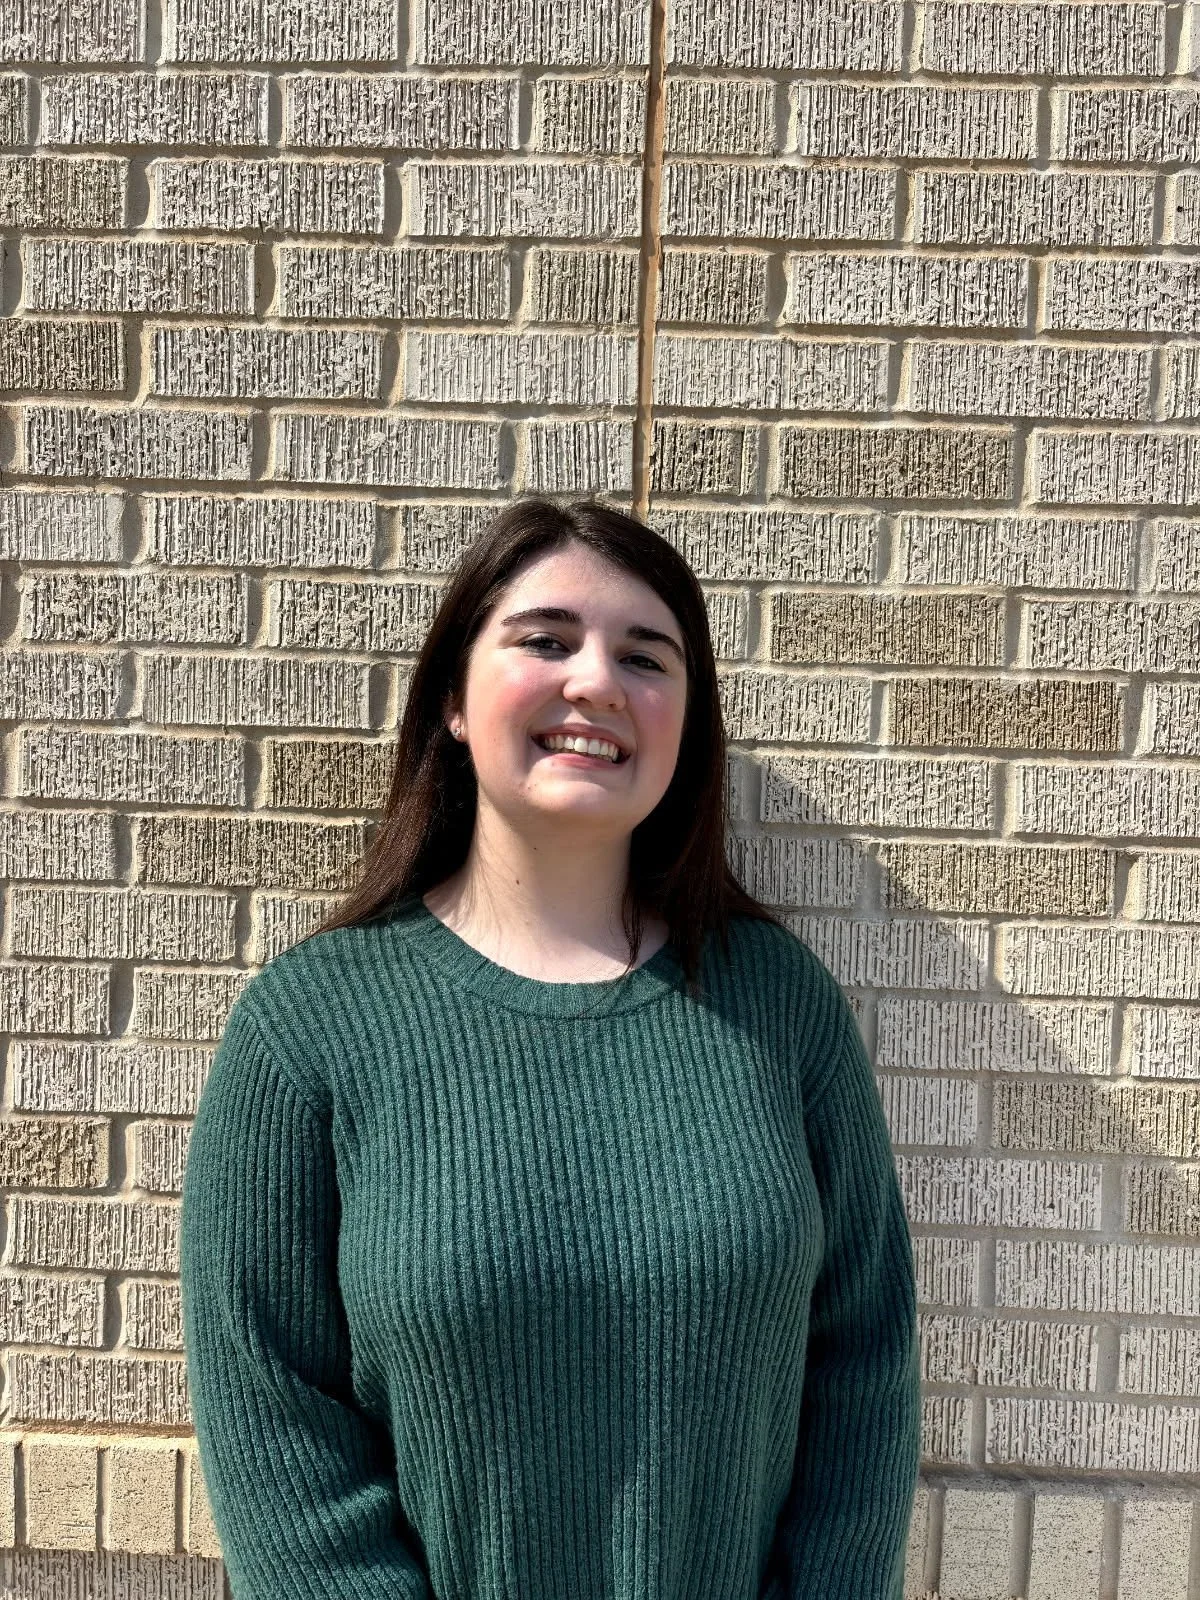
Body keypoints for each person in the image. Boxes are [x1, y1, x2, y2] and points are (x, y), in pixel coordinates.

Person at [179, 495, 921, 1600]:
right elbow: (272, 1423)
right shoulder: (308, 1029)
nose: (597, 682)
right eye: (545, 640)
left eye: (647, 656)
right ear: (452, 700)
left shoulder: (779, 1005)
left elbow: (864, 1366)